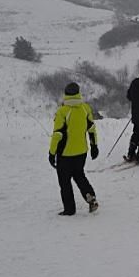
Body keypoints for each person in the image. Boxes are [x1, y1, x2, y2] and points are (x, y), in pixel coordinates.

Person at [48, 82, 99, 216]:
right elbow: (92, 129)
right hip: (82, 151)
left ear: (65, 94)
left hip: (65, 154)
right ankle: (90, 197)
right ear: (78, 93)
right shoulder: (85, 108)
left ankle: (69, 209)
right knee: (79, 175)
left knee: (64, 182)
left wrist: (52, 153)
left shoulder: (62, 111)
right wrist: (94, 146)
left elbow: (58, 135)